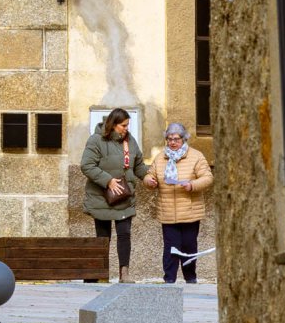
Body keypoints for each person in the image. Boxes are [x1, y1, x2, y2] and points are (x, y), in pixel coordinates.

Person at [80, 109, 149, 280]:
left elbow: (138, 164)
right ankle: (100, 273)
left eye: (127, 125)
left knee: (124, 234)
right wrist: (108, 180)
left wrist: (147, 177)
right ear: (113, 124)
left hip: (124, 197)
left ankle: (124, 272)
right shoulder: (96, 140)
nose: (126, 128)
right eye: (123, 125)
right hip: (102, 197)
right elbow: (87, 165)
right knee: (103, 237)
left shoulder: (130, 141)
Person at [142, 121, 213, 283]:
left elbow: (208, 177)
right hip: (167, 212)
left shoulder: (196, 156)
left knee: (189, 246)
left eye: (176, 139)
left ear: (184, 139)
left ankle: (190, 278)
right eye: (169, 139)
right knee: (171, 248)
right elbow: (149, 175)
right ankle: (169, 279)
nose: (172, 142)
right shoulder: (161, 158)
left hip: (189, 211)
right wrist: (149, 181)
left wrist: (192, 185)